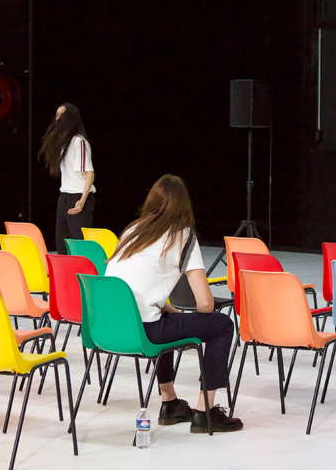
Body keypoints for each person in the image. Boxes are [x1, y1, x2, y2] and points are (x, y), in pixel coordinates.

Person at [105, 174, 242, 433]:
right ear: (184, 206)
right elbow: (205, 304)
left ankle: (169, 403)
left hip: (111, 328)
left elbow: (130, 287)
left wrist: (167, 307)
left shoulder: (132, 231)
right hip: (144, 331)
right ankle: (206, 412)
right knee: (222, 325)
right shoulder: (182, 236)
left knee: (164, 317)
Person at [38, 103, 96, 255]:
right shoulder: (64, 142)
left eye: (61, 115)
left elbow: (90, 173)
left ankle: (82, 274)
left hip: (78, 195)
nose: (57, 118)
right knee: (62, 242)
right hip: (65, 195)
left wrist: (82, 201)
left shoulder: (79, 142)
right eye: (56, 115)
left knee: (78, 243)